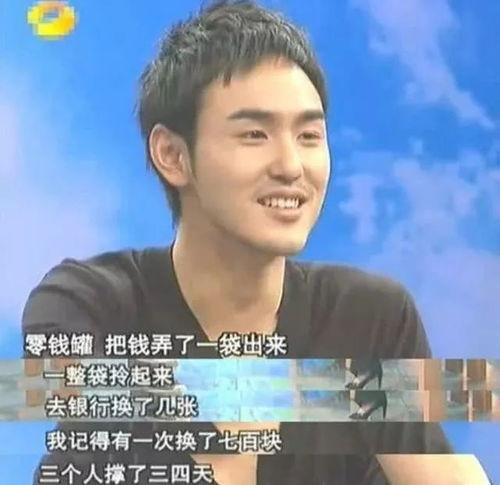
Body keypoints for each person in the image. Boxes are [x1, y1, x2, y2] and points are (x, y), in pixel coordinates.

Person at [22, 1, 490, 484]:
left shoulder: (369, 317)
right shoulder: (90, 301)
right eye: (254, 134)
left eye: (309, 135)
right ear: (172, 155)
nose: (290, 166)